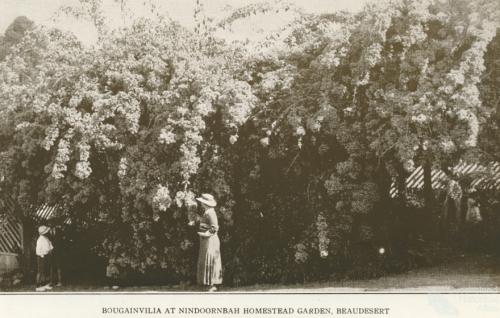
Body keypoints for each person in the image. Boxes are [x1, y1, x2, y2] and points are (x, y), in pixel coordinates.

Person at [195, 193, 222, 292]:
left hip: (211, 240)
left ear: (204, 203)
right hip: (205, 240)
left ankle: (211, 284)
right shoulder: (207, 212)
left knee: (210, 259)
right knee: (205, 259)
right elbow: (205, 224)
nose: (201, 203)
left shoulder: (211, 212)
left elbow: (214, 227)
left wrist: (206, 234)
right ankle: (206, 283)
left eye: (202, 202)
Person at [35, 225, 53, 292]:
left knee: (46, 271)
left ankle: (45, 284)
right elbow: (37, 250)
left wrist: (49, 252)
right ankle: (38, 286)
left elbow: (51, 247)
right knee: (40, 271)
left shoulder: (47, 238)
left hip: (47, 256)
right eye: (46, 231)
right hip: (41, 257)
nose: (47, 232)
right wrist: (42, 256)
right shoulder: (40, 239)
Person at [49, 222, 63, 287]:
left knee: (58, 266)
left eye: (52, 223)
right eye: (49, 224)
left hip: (58, 251)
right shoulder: (48, 232)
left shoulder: (59, 230)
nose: (50, 225)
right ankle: (52, 281)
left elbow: (61, 241)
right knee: (52, 267)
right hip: (51, 252)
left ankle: (60, 281)